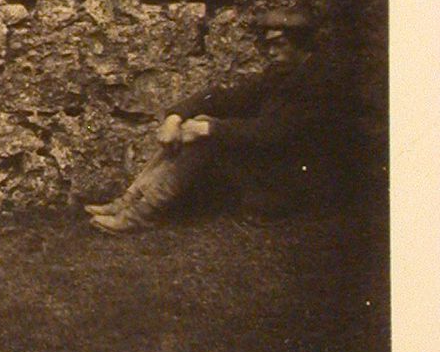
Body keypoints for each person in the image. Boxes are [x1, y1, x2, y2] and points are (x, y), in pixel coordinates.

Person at [84, 25, 344, 234]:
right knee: (199, 123)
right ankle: (128, 201)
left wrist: (207, 129)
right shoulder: (281, 74)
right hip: (271, 168)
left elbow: (273, 133)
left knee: (207, 135)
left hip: (291, 186)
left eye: (280, 44)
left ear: (303, 45)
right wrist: (175, 118)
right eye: (270, 44)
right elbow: (224, 97)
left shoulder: (319, 83)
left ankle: (142, 214)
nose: (272, 52)